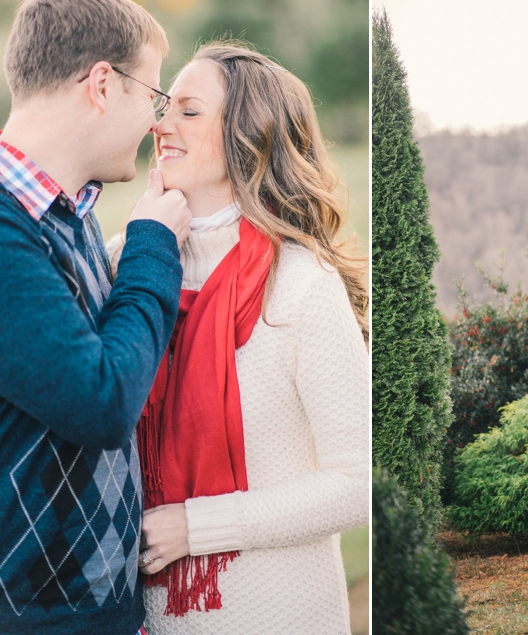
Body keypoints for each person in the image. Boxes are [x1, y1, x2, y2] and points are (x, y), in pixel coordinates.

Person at [0, 0, 191, 634]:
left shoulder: (63, 214)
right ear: (102, 84)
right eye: (153, 95)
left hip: (79, 612)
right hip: (6, 619)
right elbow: (99, 402)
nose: (159, 121)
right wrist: (155, 248)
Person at [105, 42, 369, 634]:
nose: (161, 123)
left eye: (189, 112)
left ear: (247, 139)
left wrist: (195, 527)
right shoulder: (127, 263)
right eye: (164, 105)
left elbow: (357, 485)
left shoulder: (301, 286)